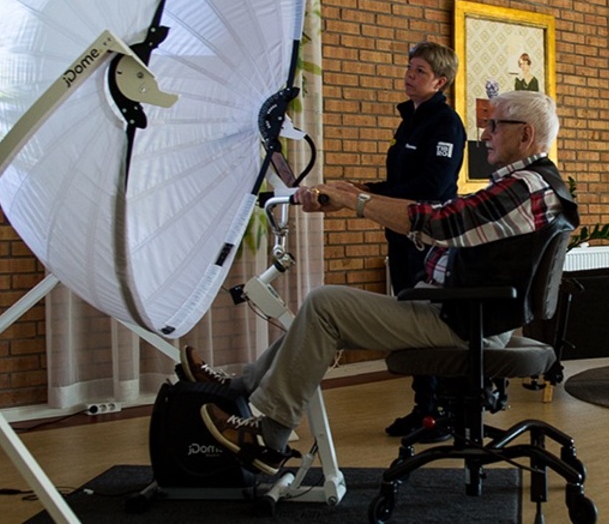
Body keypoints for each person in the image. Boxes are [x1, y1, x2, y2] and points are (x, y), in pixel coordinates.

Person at [190, 91, 578, 476]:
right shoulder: (534, 184)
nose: (485, 133)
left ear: (525, 135)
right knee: (323, 315)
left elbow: (440, 224)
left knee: (326, 305)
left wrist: (355, 202)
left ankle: (267, 434)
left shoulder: (524, 188)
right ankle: (240, 388)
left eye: (494, 125)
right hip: (464, 311)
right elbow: (442, 215)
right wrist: (353, 194)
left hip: (466, 320)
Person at [360, 41, 464, 440]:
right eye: (409, 68)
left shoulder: (445, 124)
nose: (409, 75)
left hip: (427, 238)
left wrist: (370, 196)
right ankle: (424, 408)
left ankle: (439, 411)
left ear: (440, 81)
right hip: (401, 233)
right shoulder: (410, 121)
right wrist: (363, 189)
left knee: (424, 320)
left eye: (419, 71)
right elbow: (404, 183)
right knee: (408, 320)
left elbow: (432, 185)